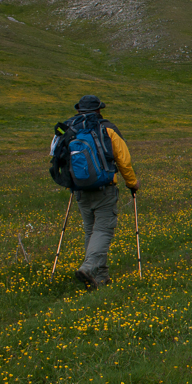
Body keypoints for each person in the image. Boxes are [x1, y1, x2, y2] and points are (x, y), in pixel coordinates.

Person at [69, 95, 138, 290]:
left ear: (78, 111)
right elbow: (123, 160)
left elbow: (58, 158)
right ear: (99, 110)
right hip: (104, 188)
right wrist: (132, 183)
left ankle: (101, 277)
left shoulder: (69, 129)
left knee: (91, 231)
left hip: (80, 189)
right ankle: (89, 268)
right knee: (102, 230)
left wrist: (69, 182)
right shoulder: (107, 129)